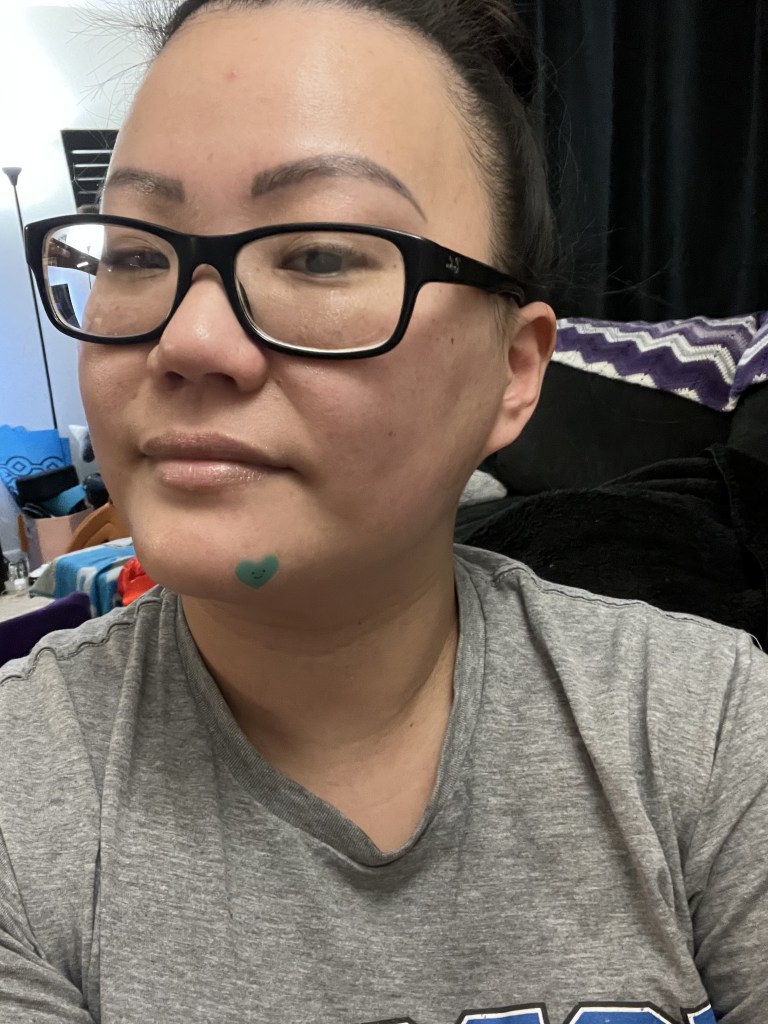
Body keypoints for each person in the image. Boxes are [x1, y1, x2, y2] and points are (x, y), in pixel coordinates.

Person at [1, 1, 767, 1022]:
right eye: (138, 254)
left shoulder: (707, 728)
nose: (188, 341)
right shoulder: (22, 796)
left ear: (514, 370)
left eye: (319, 255)